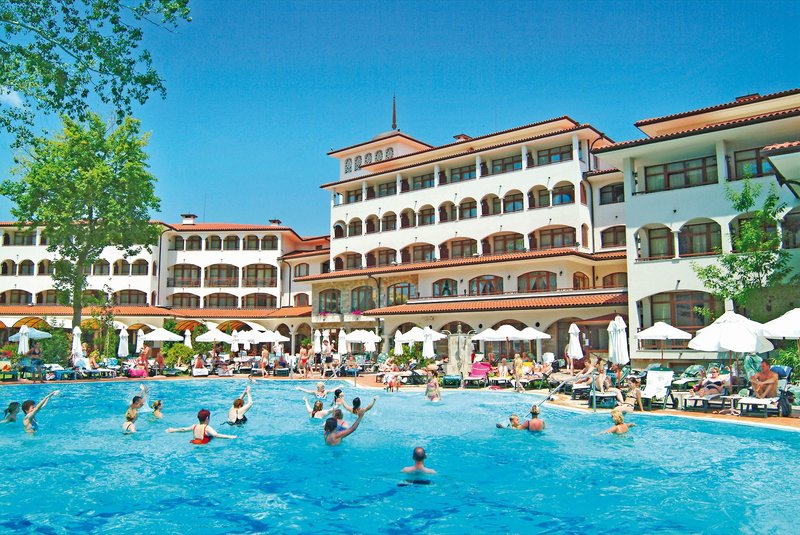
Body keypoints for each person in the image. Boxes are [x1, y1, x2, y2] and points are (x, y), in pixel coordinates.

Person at [167, 409, 236, 443]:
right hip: (203, 446)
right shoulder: (207, 428)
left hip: (193, 442)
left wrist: (173, 430)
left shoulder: (194, 426)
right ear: (207, 418)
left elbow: (184, 429)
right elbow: (216, 435)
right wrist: (229, 437)